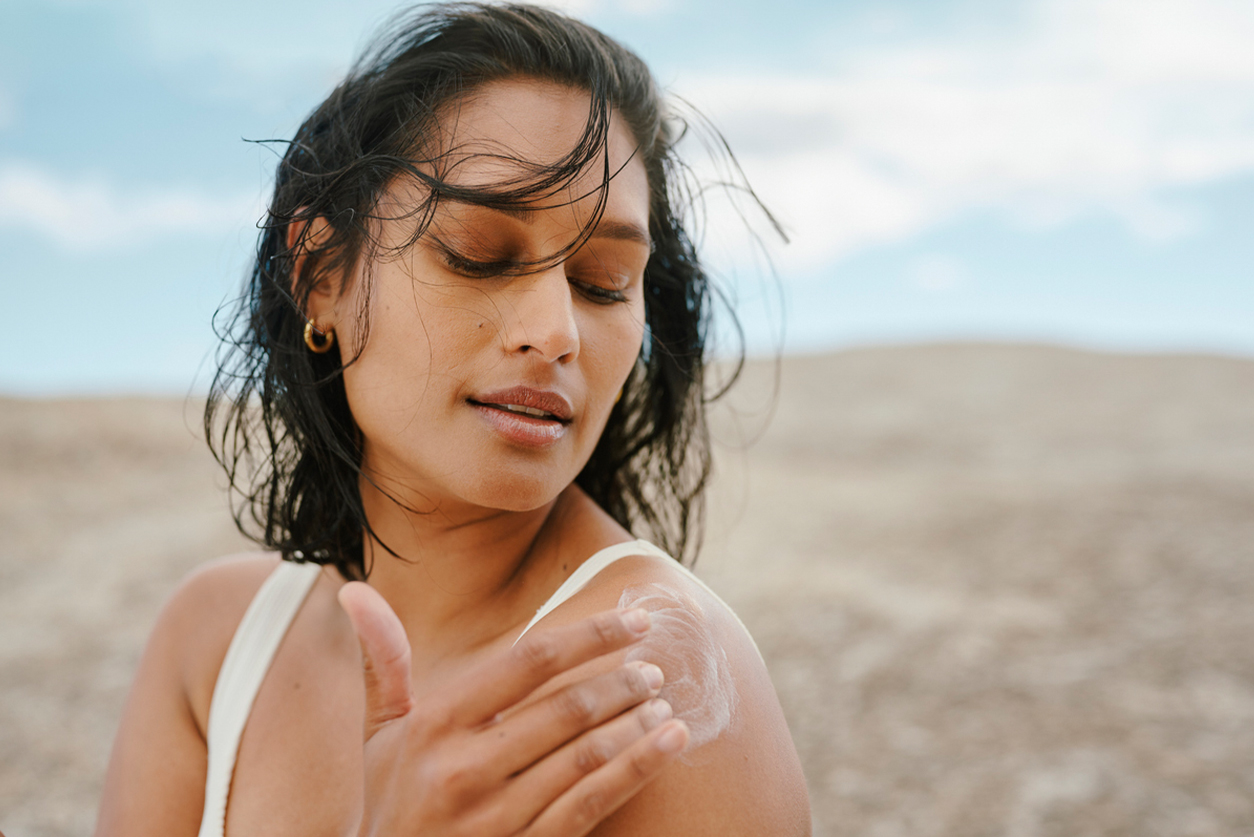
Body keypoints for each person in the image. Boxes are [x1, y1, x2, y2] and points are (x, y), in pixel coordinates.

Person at [95, 3, 810, 835]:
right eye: (478, 253)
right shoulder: (217, 639)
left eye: (605, 280)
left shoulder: (653, 682)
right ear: (322, 272)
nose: (555, 331)